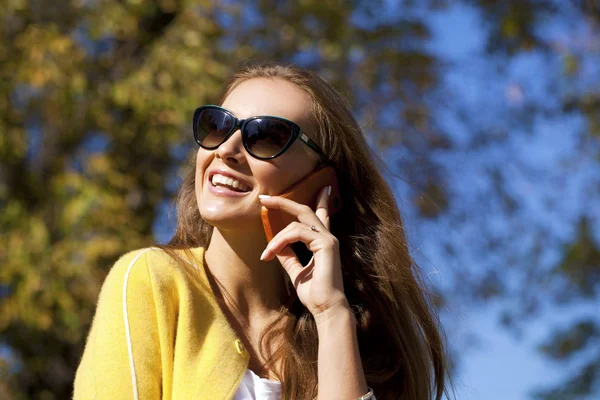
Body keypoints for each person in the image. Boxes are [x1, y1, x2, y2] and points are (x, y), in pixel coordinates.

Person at [73, 62, 449, 400]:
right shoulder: (152, 281)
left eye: (266, 136)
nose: (228, 148)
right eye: (218, 126)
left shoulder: (356, 341)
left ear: (324, 185)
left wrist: (332, 315)